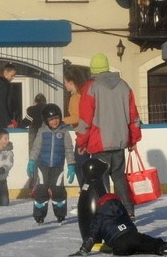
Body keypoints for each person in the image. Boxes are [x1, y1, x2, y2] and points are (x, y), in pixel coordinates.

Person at [76, 53, 142, 217]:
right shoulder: (124, 86)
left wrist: (81, 143)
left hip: (99, 144)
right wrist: (133, 139)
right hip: (120, 141)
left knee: (101, 178)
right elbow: (134, 117)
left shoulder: (90, 87)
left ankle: (107, 212)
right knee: (119, 177)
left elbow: (85, 120)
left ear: (93, 69)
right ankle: (127, 210)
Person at [70, 193, 167, 257]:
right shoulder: (123, 212)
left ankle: (137, 249)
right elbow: (132, 227)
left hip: (118, 245)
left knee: (128, 249)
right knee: (150, 243)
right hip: (133, 236)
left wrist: (83, 251)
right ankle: (164, 247)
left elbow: (92, 235)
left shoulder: (99, 216)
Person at [27, 103, 75, 224]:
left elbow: (69, 150)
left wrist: (71, 165)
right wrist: (32, 161)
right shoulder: (42, 132)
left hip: (58, 167)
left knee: (58, 190)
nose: (55, 121)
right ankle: (39, 215)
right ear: (46, 120)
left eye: (57, 118)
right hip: (43, 166)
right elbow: (36, 148)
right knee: (41, 189)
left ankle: (60, 214)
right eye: (51, 119)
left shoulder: (64, 132)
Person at [63, 66, 89, 187]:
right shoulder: (84, 94)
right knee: (86, 165)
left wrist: (61, 121)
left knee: (79, 166)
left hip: (82, 135)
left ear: (71, 82)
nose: (65, 85)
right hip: (90, 134)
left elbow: (76, 117)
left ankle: (85, 192)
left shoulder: (74, 97)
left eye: (65, 82)